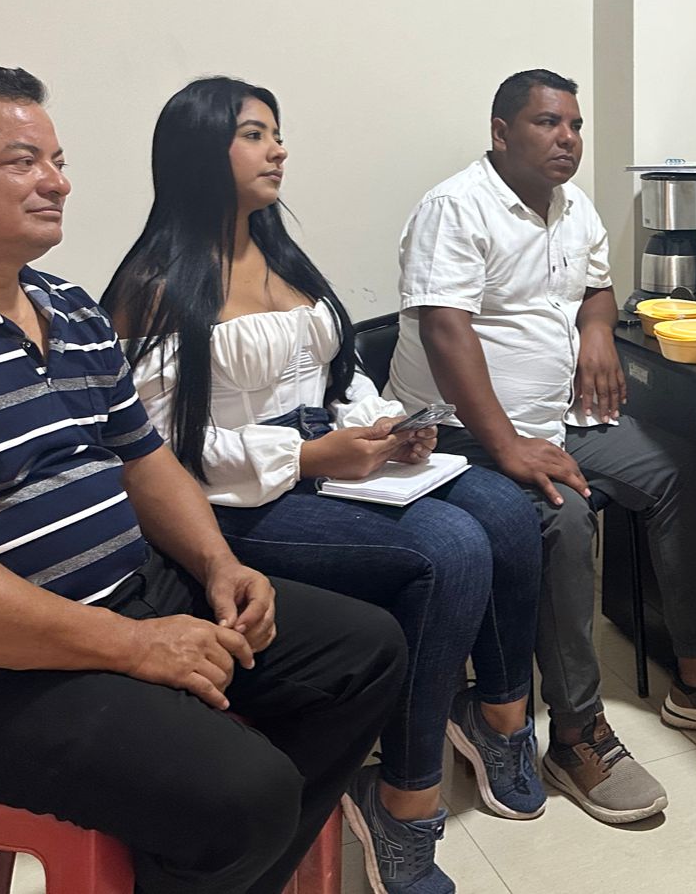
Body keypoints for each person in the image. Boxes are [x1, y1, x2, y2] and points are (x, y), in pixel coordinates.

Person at [0, 63, 406, 894]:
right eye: (23, 161)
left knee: (365, 652)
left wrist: (219, 565)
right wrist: (136, 646)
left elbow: (146, 460)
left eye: (58, 160)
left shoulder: (67, 308)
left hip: (128, 593)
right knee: (246, 794)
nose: (59, 181)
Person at [104, 78, 544, 894]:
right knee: (449, 548)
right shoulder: (154, 285)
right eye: (253, 134)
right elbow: (160, 452)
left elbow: (337, 377)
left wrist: (384, 425)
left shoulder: (282, 256)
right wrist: (308, 457)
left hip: (327, 463)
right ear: (199, 151)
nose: (278, 149)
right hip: (240, 500)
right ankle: (404, 801)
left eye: (277, 132)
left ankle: (499, 722)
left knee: (507, 511)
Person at [389, 69, 696, 825]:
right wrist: (508, 445)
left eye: (575, 125)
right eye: (547, 123)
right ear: (500, 131)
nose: (567, 138)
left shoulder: (574, 207)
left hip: (555, 418)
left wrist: (598, 330)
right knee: (566, 516)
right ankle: (576, 733)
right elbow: (446, 331)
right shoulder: (456, 207)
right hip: (456, 432)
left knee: (675, 468)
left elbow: (597, 288)